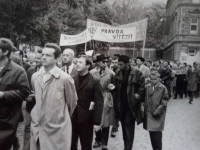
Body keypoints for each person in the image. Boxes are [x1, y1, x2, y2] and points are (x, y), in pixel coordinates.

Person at [30, 43, 77, 150]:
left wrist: (59, 116)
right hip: (38, 126)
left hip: (57, 129)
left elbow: (72, 103)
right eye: (43, 54)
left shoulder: (65, 78)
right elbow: (37, 98)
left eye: (48, 55)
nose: (44, 57)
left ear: (57, 59)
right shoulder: (35, 77)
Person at [0, 38, 30, 150]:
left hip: (6, 120)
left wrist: (4, 95)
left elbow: (24, 92)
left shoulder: (18, 71)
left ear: (5, 52)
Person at [71, 56, 104, 150]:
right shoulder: (72, 79)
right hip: (72, 118)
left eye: (80, 62)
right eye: (77, 62)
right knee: (71, 145)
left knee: (86, 145)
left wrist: (97, 122)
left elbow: (99, 102)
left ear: (88, 65)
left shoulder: (95, 81)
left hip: (86, 119)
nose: (77, 64)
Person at [113, 55, 145, 150]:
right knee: (124, 126)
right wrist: (112, 87)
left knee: (129, 126)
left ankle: (128, 147)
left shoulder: (137, 72)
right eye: (118, 64)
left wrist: (138, 95)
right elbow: (115, 87)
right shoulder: (118, 73)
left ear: (127, 64)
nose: (119, 66)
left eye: (121, 64)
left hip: (131, 104)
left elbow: (142, 86)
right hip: (121, 104)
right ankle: (126, 145)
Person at [91, 54, 115, 150]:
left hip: (106, 97)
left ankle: (105, 142)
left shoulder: (111, 73)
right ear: (97, 62)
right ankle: (98, 139)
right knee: (96, 118)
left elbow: (114, 85)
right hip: (95, 97)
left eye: (106, 62)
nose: (105, 63)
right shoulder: (92, 73)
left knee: (106, 121)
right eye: (103, 62)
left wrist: (112, 87)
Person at [143, 71, 169, 150]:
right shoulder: (148, 87)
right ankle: (154, 148)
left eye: (155, 79)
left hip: (157, 114)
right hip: (149, 113)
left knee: (157, 134)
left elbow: (164, 101)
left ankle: (158, 148)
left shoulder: (163, 88)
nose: (153, 81)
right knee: (152, 133)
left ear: (158, 79)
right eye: (151, 79)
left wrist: (157, 111)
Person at [23, 49, 43, 150]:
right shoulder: (30, 70)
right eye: (36, 58)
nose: (37, 60)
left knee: (41, 129)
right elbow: (26, 86)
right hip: (30, 105)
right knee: (27, 128)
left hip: (42, 106)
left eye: (39, 58)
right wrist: (27, 95)